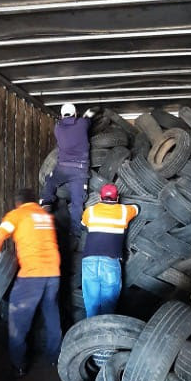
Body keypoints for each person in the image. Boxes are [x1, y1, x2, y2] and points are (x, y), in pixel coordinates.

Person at [0, 188, 61, 377]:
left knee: (18, 319)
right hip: (53, 273)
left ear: (18, 203)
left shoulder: (18, 214)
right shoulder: (45, 216)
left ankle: (18, 364)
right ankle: (55, 358)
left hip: (32, 274)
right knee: (52, 314)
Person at [40, 103, 96, 245]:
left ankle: (46, 202)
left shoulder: (57, 128)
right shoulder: (82, 124)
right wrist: (89, 113)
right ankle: (75, 233)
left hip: (62, 168)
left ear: (61, 115)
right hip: (79, 170)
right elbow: (89, 118)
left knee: (50, 181)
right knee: (77, 202)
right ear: (75, 114)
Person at [81, 184, 138, 317]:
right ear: (117, 197)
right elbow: (137, 208)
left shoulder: (90, 211)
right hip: (110, 261)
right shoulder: (124, 211)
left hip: (89, 260)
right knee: (108, 309)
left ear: (100, 197)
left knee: (91, 307)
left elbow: (83, 225)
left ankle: (90, 334)